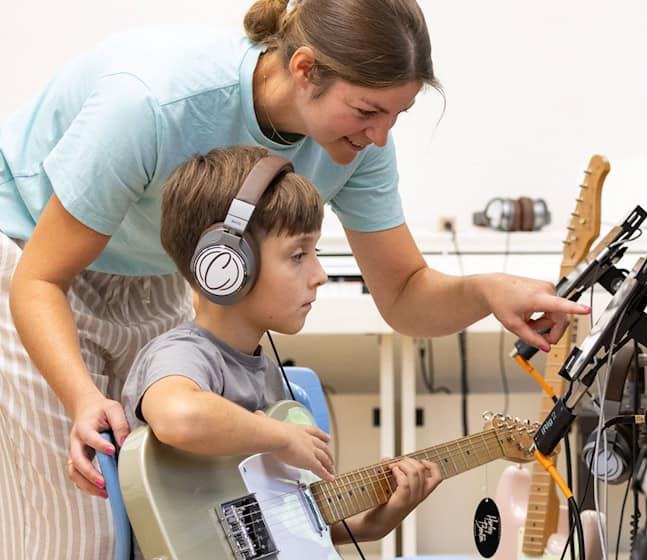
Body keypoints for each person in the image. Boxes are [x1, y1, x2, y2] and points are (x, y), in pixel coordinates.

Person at [0, 0, 589, 557]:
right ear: (304, 69)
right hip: (32, 258)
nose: (380, 137)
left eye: (395, 115)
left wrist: (487, 292)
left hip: (155, 267)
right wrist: (80, 398)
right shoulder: (152, 102)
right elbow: (39, 281)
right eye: (366, 111)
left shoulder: (358, 143)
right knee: (85, 536)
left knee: (177, 519)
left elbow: (406, 294)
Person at [120, 146, 441, 549]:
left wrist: (376, 522)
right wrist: (281, 437)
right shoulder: (185, 353)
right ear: (229, 265)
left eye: (315, 254)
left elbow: (281, 523)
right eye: (298, 255)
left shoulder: (266, 377)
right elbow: (178, 415)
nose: (320, 275)